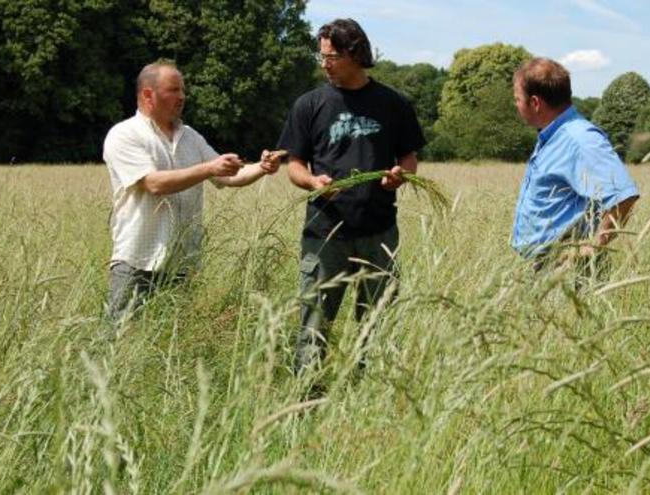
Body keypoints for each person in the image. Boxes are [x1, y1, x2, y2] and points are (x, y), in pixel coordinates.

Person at [277, 18, 426, 374]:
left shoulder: (393, 104)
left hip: (380, 232)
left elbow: (409, 158)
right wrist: (313, 183)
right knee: (314, 325)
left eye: (332, 56)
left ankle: (366, 396)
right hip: (325, 234)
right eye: (321, 56)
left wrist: (399, 176)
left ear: (356, 54)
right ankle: (307, 398)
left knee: (377, 322)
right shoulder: (309, 105)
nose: (324, 63)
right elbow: (294, 164)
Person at [103, 60, 281, 322]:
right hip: (137, 261)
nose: (182, 97)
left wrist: (262, 167)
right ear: (148, 95)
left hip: (182, 264)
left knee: (172, 345)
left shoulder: (191, 137)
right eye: (173, 90)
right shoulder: (124, 134)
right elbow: (154, 183)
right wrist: (209, 168)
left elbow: (229, 176)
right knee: (119, 341)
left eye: (182, 90)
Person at [511, 57, 639, 273]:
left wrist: (592, 247)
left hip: (565, 272)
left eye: (517, 99)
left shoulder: (580, 139)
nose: (516, 105)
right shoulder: (553, 135)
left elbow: (623, 195)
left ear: (535, 103)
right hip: (543, 267)